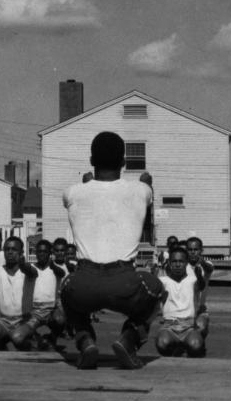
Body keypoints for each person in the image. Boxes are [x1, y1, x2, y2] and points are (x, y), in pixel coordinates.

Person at [59, 131, 164, 370]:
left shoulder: (72, 192)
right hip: (124, 282)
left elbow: (89, 197)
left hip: (84, 282)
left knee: (65, 288)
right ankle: (129, 339)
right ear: (124, 163)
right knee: (157, 290)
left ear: (91, 160)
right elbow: (146, 191)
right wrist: (146, 182)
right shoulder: (141, 190)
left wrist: (87, 183)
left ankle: (85, 340)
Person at [0, 236, 39, 351]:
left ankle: (35, 345)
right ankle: (5, 355)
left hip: (24, 319)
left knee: (17, 338)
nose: (10, 252)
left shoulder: (29, 270)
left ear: (21, 252)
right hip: (4, 319)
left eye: (14, 249)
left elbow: (31, 272)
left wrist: (23, 265)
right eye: (7, 249)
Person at [9, 239, 67, 350]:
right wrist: (22, 264)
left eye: (45, 251)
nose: (42, 254)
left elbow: (62, 273)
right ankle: (38, 339)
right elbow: (28, 270)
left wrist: (52, 266)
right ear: (35, 253)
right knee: (17, 337)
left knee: (60, 319)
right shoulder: (32, 268)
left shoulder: (57, 268)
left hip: (51, 311)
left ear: (50, 253)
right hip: (34, 312)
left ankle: (52, 338)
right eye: (39, 251)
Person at [155, 246, 207, 357]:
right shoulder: (163, 281)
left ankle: (185, 346)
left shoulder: (192, 280)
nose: (177, 264)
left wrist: (199, 276)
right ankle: (175, 349)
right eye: (174, 261)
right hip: (169, 326)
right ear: (169, 263)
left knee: (196, 346)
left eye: (181, 261)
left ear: (186, 263)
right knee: (162, 344)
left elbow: (201, 286)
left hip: (188, 326)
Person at [184, 236, 213, 337]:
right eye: (190, 249)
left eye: (196, 249)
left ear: (201, 250)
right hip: (184, 309)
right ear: (186, 250)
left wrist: (202, 263)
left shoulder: (206, 265)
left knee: (199, 330)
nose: (193, 252)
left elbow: (209, 269)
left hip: (201, 310)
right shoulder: (182, 267)